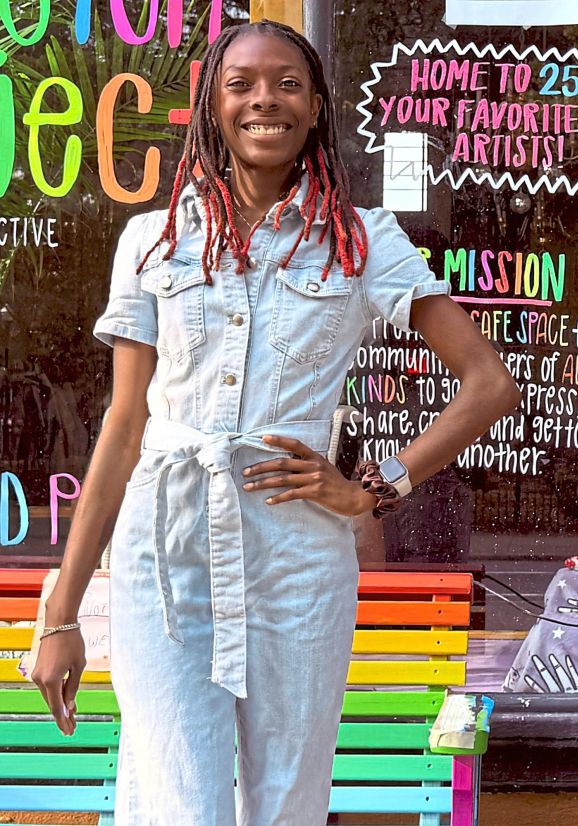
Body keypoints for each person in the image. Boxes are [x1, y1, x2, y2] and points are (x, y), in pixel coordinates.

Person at [28, 20, 519, 823]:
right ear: (213, 107)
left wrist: (375, 488)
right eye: (242, 83)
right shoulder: (152, 242)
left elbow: (489, 385)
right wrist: (62, 614)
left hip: (298, 557)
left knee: (288, 801)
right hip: (165, 552)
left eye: (288, 83)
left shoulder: (363, 241)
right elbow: (122, 429)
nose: (266, 99)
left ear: (318, 107)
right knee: (173, 798)